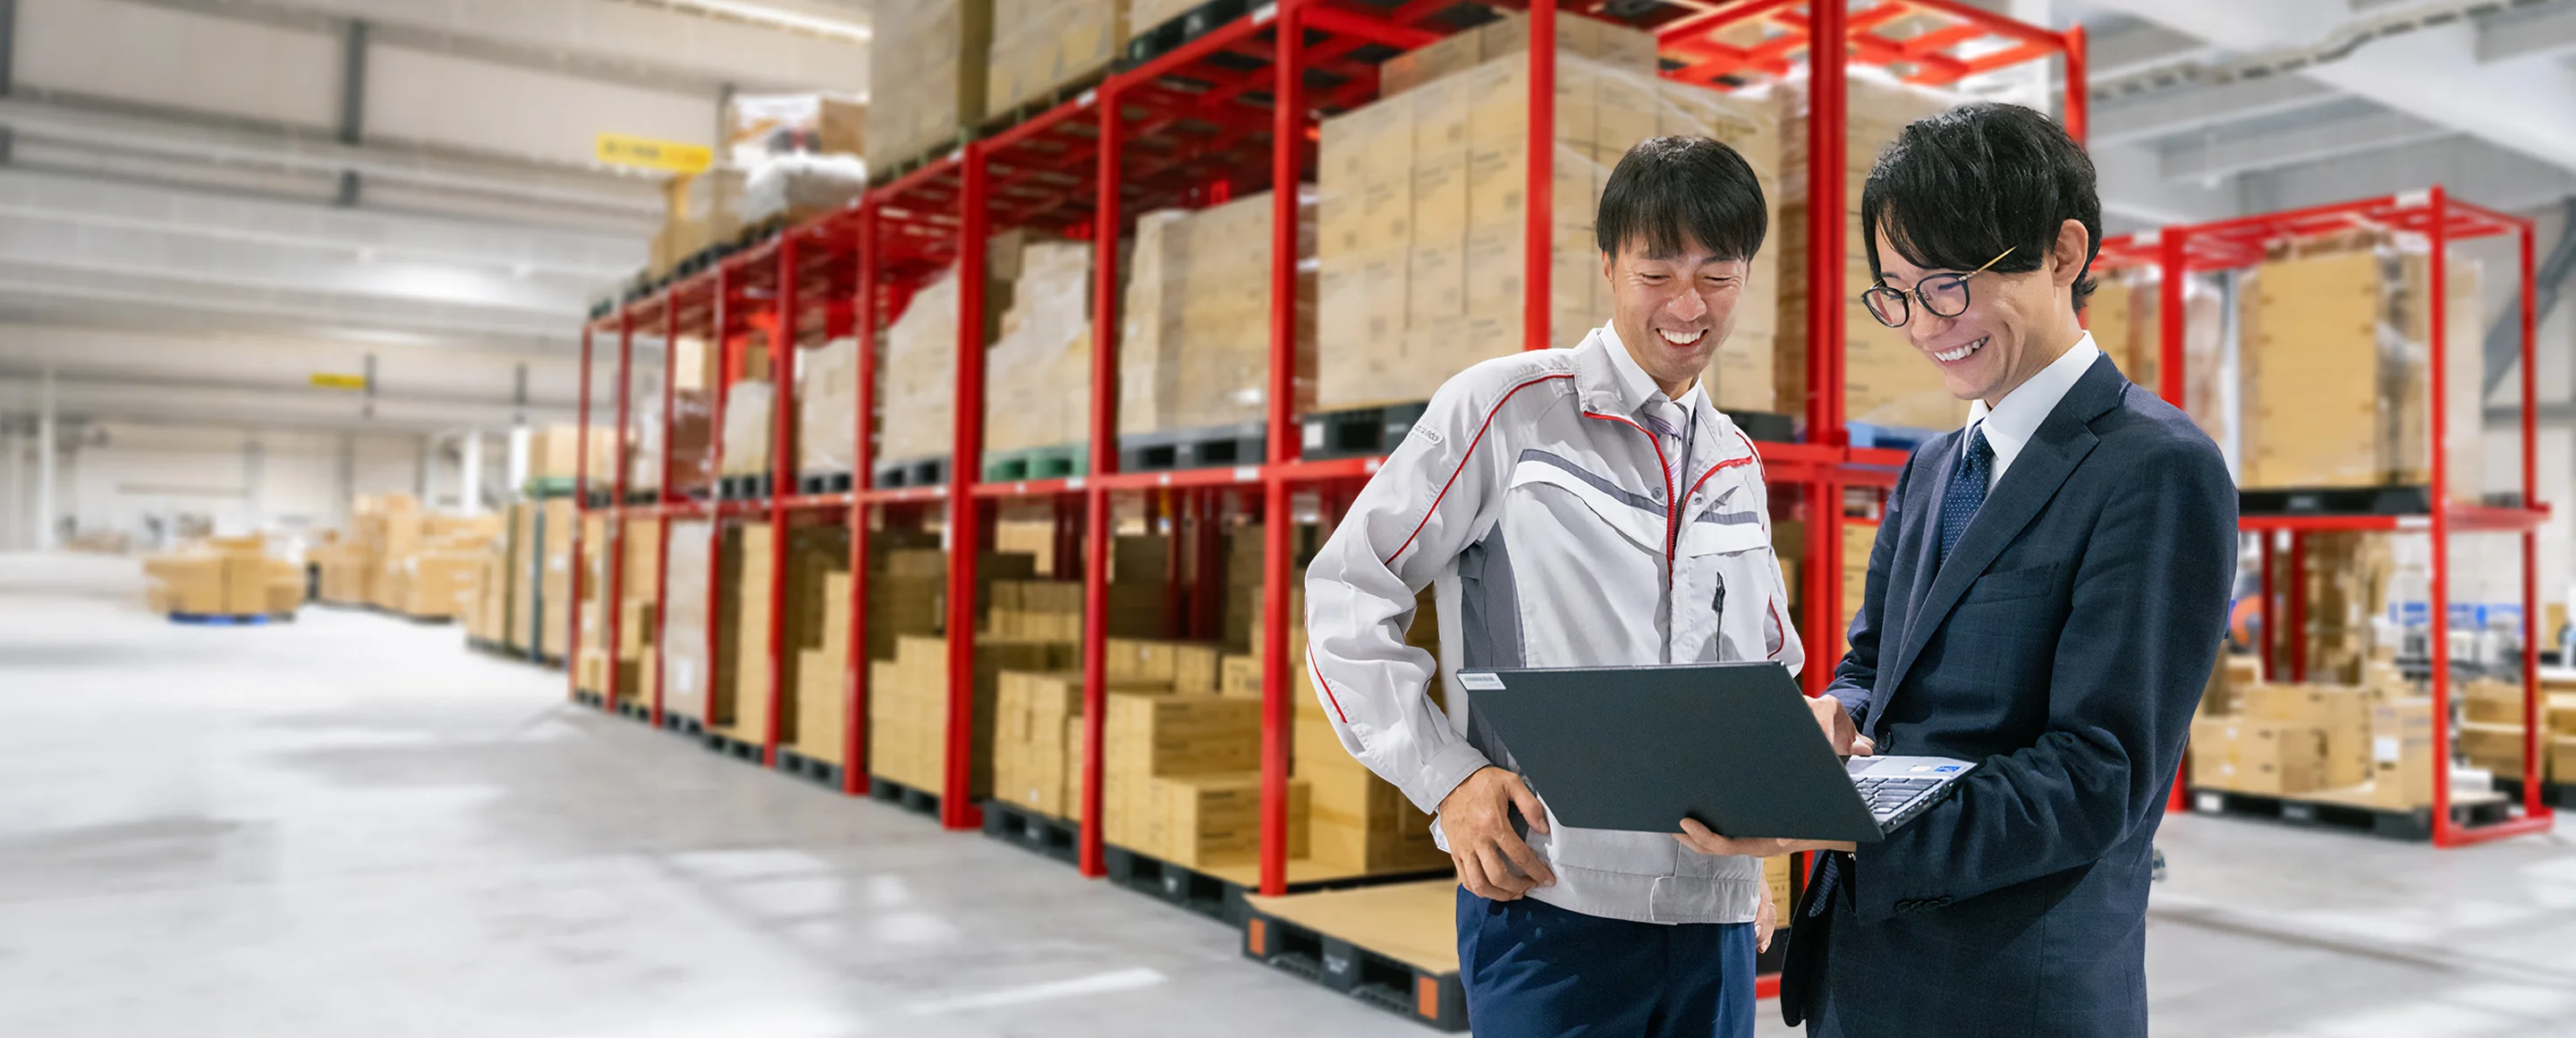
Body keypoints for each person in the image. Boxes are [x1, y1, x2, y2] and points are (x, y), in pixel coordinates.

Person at [1670, 102, 2237, 1036]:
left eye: (1949, 286)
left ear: (2062, 253)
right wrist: (1835, 714)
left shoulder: (2155, 469)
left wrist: (1838, 817)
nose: (1926, 326)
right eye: (1896, 293)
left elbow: (2095, 778)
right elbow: (1875, 666)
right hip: (1864, 974)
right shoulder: (1934, 469)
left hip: (2009, 995)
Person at [1302, 135, 1818, 1038]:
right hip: (1551, 908)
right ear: (1609, 264)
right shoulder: (1510, 412)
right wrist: (1448, 779)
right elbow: (1349, 590)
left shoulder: (1735, 461)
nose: (1687, 305)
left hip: (1717, 925)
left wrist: (1753, 866)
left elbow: (1764, 673)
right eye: (1657, 272)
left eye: (1717, 276)